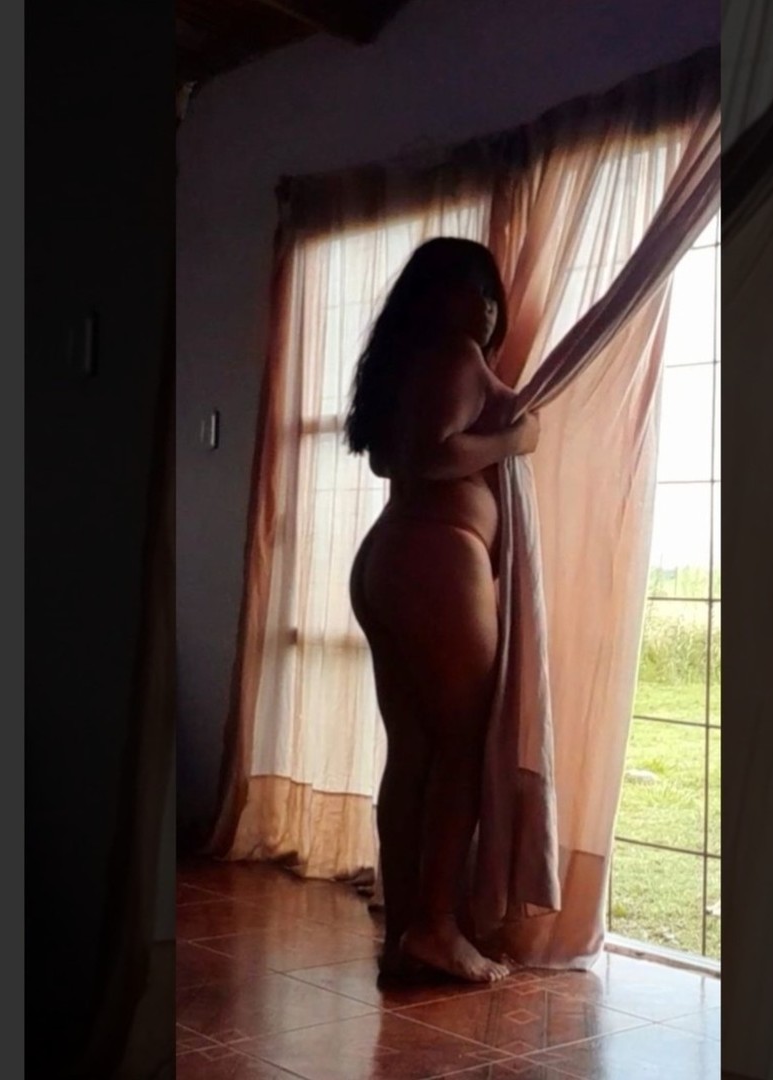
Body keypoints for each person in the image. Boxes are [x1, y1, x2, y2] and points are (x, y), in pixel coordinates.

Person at [346, 238, 540, 982]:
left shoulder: (408, 361)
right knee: (460, 748)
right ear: (436, 294)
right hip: (436, 561)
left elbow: (390, 458)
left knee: (413, 752)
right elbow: (430, 457)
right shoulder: (456, 354)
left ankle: (406, 927)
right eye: (471, 287)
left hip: (391, 557)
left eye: (492, 293)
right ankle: (434, 926)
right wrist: (513, 438)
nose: (487, 306)